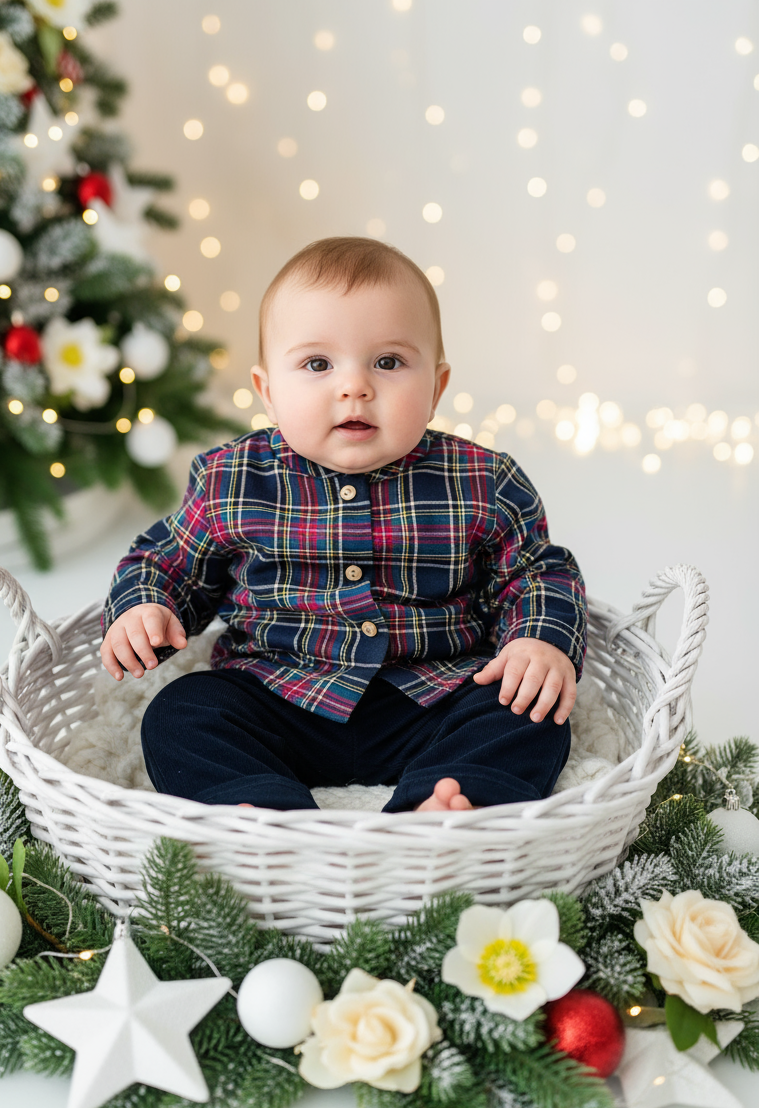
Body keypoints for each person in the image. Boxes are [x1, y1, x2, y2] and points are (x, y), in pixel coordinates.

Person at [100, 237, 586, 813]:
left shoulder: (484, 481)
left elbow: (537, 572)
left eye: (388, 362)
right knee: (182, 711)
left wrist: (539, 639)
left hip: (432, 696)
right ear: (268, 391)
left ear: (435, 386)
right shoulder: (231, 479)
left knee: (530, 710)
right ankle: (258, 809)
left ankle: (446, 802)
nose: (354, 386)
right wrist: (145, 607)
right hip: (277, 695)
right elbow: (167, 561)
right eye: (317, 364)